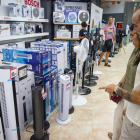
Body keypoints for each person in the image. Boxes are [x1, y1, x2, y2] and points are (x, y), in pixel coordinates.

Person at [100, 24, 140, 140]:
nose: (130, 38)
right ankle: (115, 136)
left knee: (124, 123)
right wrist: (117, 85)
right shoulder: (135, 50)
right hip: (124, 92)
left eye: (133, 35)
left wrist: (131, 107)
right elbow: (128, 72)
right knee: (118, 116)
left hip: (132, 98)